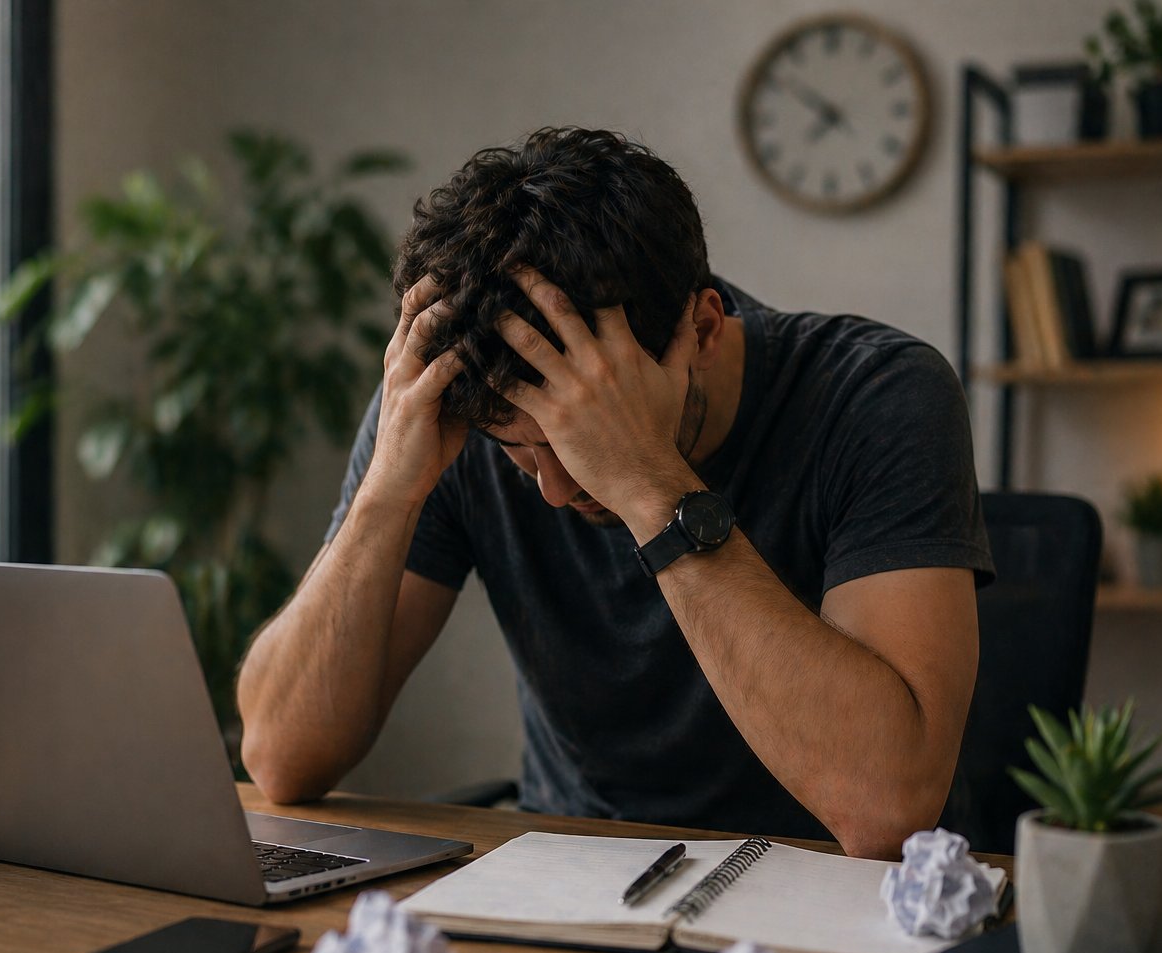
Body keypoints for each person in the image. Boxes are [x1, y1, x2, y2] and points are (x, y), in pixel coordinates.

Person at [237, 127, 993, 859]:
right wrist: (385, 498)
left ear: (702, 327)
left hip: (820, 884)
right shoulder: (458, 403)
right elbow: (280, 759)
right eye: (524, 456)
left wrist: (647, 483)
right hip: (577, 876)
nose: (561, 489)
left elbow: (887, 810)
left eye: (580, 442)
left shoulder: (879, 395)